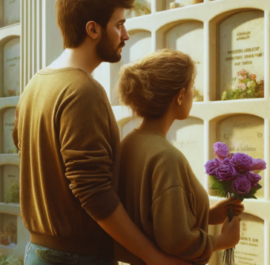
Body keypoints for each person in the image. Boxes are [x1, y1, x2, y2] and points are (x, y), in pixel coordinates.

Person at [13, 1, 190, 264]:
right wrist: (155, 258)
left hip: (38, 253)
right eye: (119, 25)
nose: (126, 35)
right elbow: (94, 194)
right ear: (93, 29)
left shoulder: (35, 84)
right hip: (77, 258)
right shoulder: (82, 90)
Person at [115, 48, 244, 265]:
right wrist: (222, 240)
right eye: (192, 87)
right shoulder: (166, 158)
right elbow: (175, 240)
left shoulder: (129, 143)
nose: (194, 93)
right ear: (180, 96)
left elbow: (153, 217)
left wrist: (209, 215)